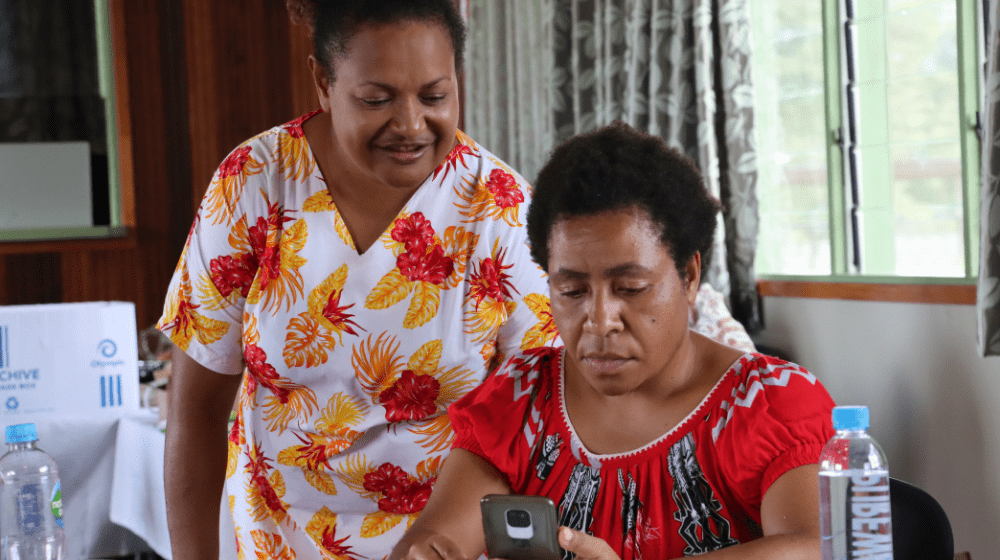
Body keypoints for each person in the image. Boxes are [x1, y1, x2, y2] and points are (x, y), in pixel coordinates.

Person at [156, 1, 558, 558]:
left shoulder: (499, 208)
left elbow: (535, 419)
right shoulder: (254, 184)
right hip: (278, 537)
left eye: (435, 96)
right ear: (322, 80)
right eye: (377, 99)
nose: (412, 125)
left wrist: (436, 541)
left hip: (446, 540)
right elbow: (196, 413)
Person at [390, 122, 836, 560]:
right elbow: (439, 537)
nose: (600, 321)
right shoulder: (520, 402)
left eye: (630, 288)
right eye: (572, 291)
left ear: (690, 276)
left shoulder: (771, 404)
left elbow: (817, 547)